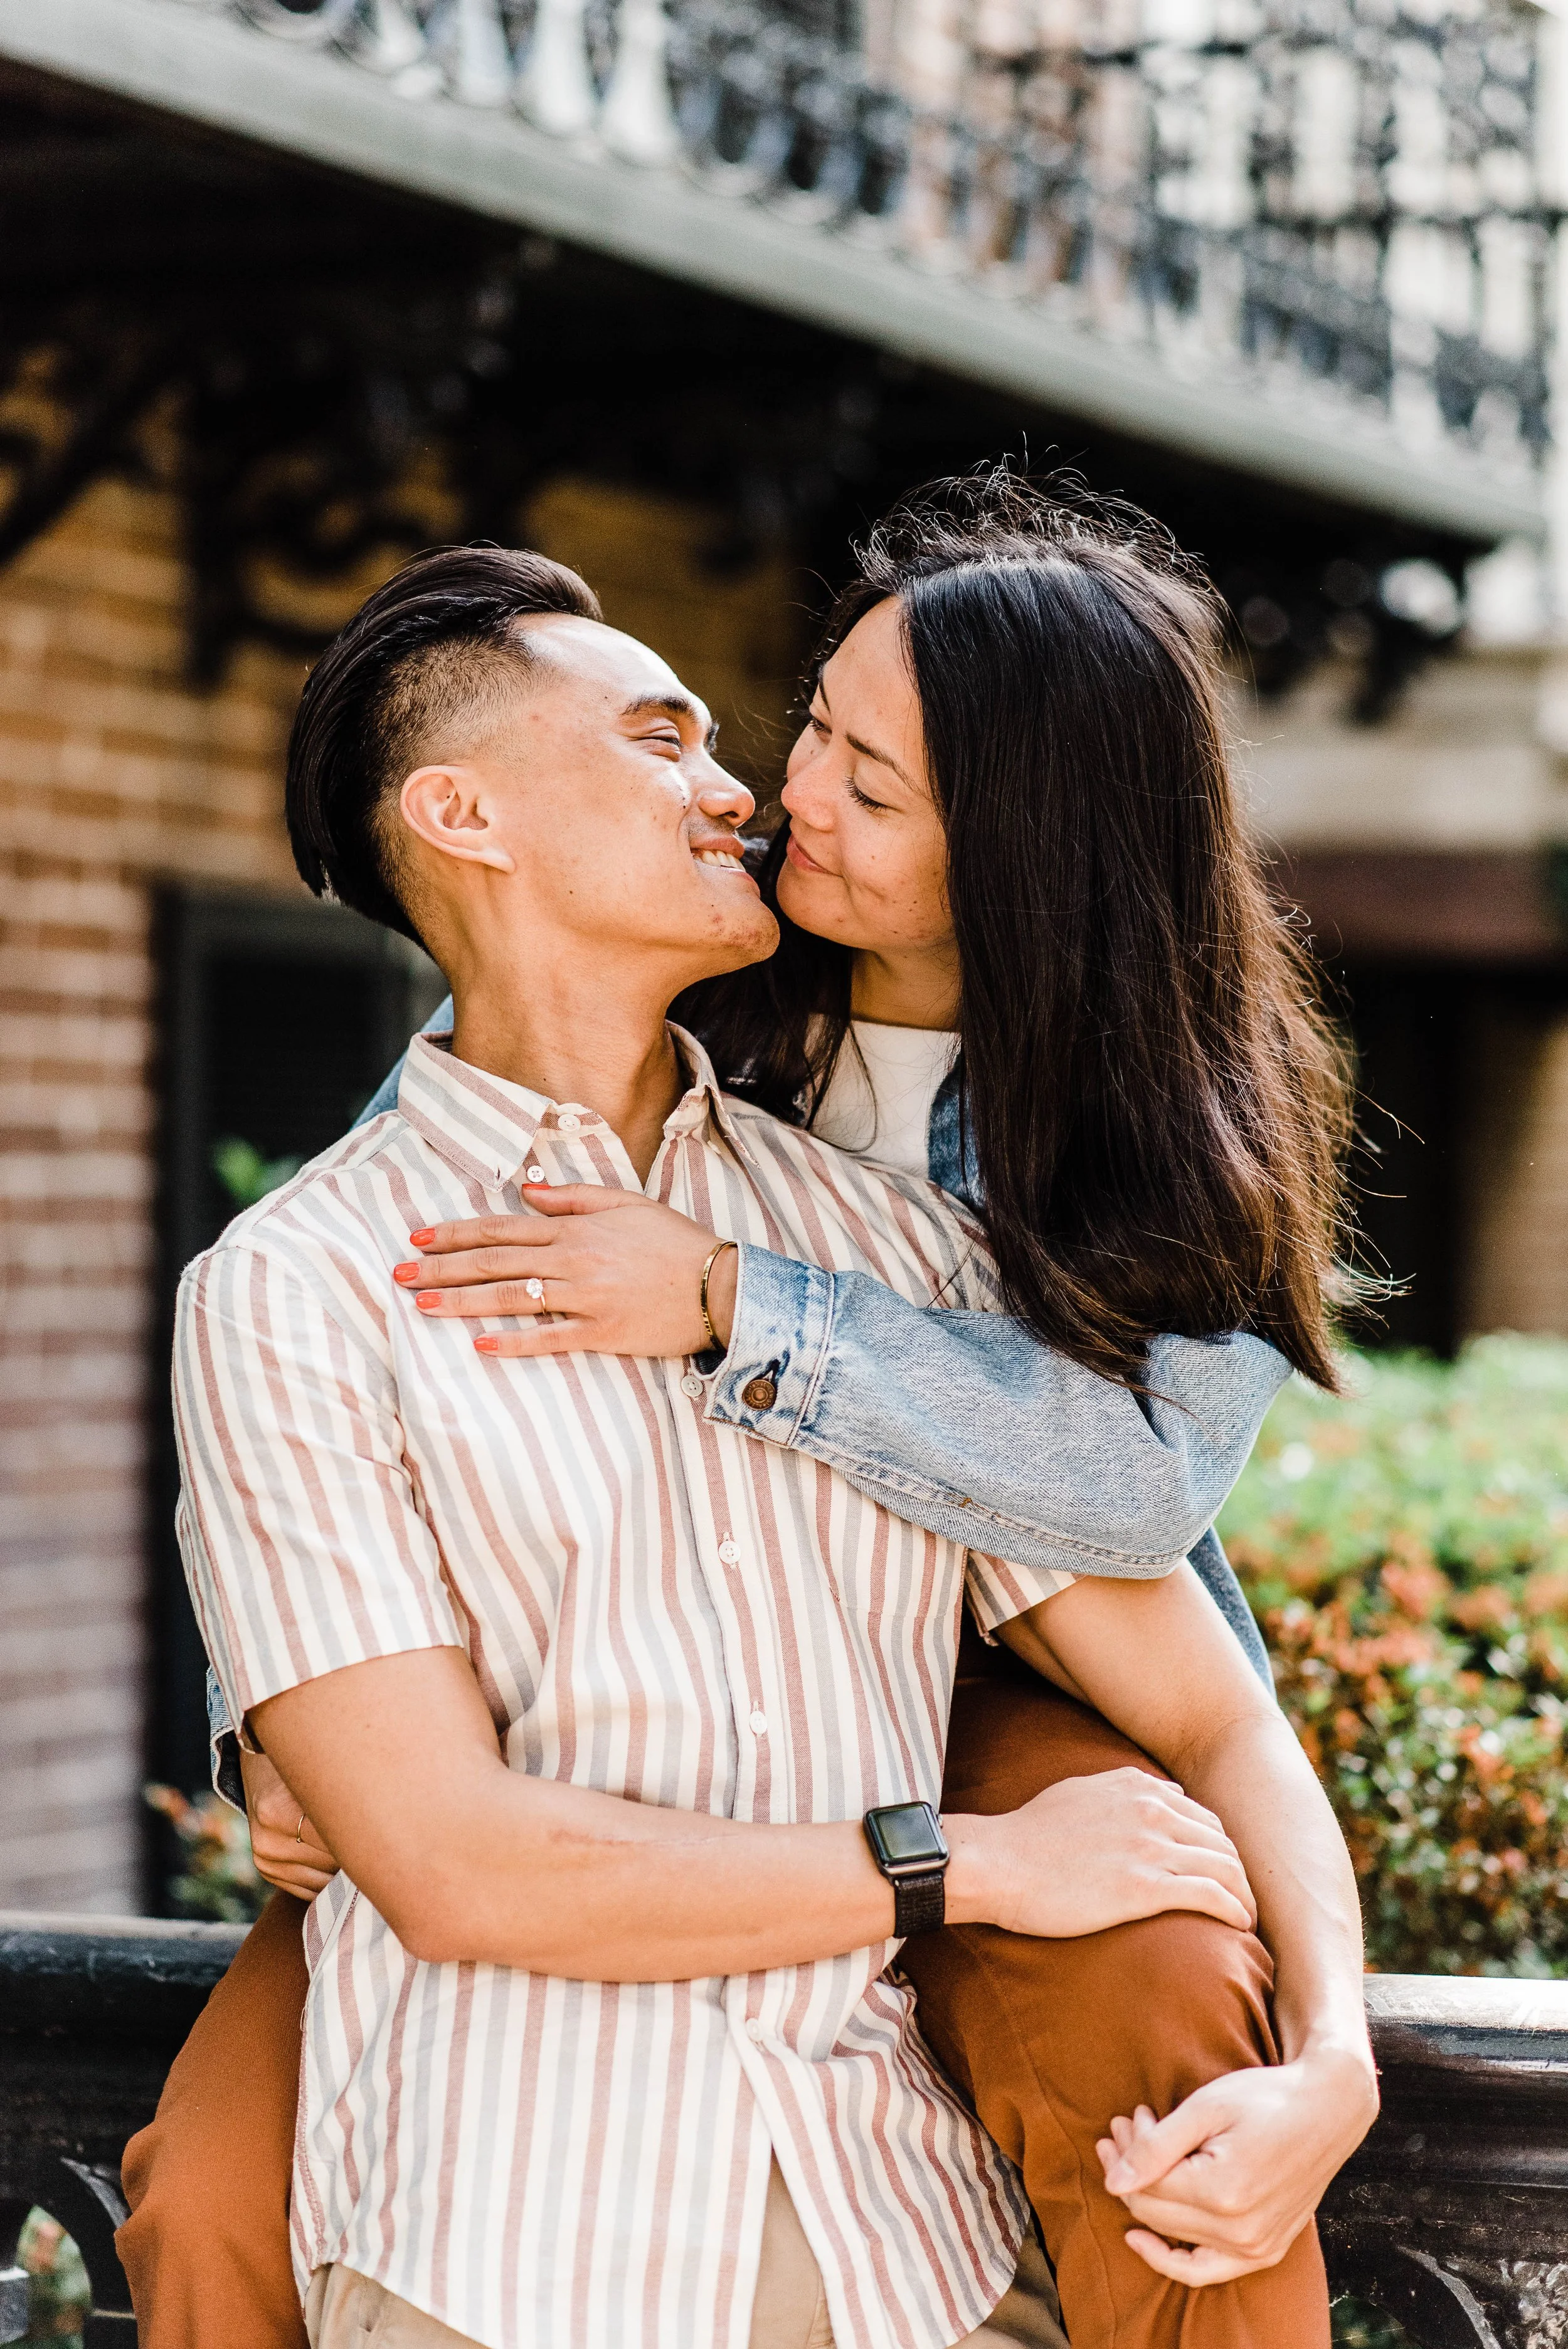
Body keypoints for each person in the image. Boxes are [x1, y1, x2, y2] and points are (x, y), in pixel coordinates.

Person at [117, 503, 1374, 2347]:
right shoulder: (694, 973)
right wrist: (285, 1719)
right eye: (799, 733)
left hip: (994, 1652)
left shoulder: (1116, 1132)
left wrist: (740, 1302)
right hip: (538, 1918)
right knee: (218, 2191)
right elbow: (396, 1221)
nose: (770, 797)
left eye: (868, 782)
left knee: (1157, 2009)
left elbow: (1130, 1502)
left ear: (1018, 853)